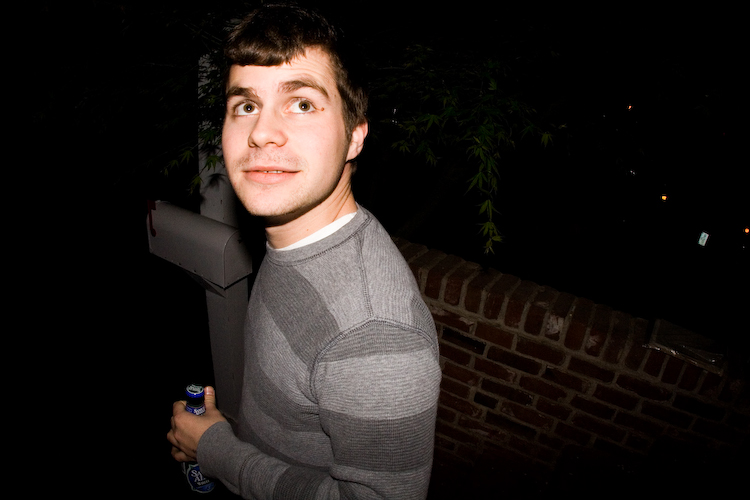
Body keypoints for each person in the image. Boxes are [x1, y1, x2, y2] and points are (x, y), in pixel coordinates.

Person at [167, 3, 442, 499]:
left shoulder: (375, 337)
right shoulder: (295, 239)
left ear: (354, 137)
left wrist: (216, 450)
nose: (261, 132)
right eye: (245, 106)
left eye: (302, 104)